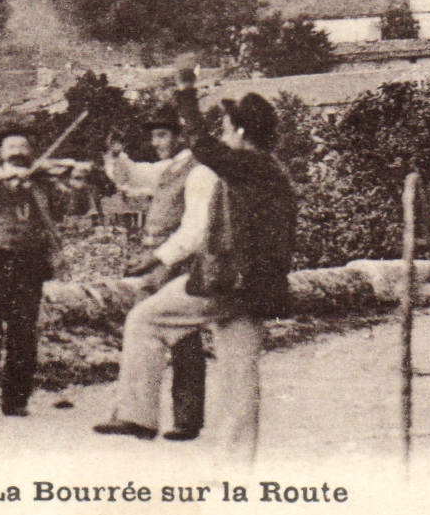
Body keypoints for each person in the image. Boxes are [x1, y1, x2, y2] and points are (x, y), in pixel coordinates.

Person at [96, 92, 296, 467]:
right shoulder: (271, 170)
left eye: (225, 129)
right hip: (256, 288)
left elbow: (203, 148)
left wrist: (186, 92)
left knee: (144, 319)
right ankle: (236, 470)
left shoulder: (249, 165)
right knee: (240, 380)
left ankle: (138, 415)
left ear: (240, 130)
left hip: (227, 283)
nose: (221, 137)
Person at [0, 126, 75, 420]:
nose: (18, 151)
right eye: (11, 147)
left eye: (23, 146)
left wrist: (57, 175)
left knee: (23, 333)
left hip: (30, 262)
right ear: (1, 154)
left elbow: (71, 186)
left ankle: (16, 401)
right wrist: (5, 175)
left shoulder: (42, 182)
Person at [103, 106, 208, 441]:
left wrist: (159, 258)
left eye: (163, 135)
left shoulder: (197, 170)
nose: (157, 141)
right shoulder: (170, 168)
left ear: (181, 136)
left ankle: (186, 419)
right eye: (153, 136)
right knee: (150, 331)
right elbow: (131, 175)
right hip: (160, 260)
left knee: (183, 338)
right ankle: (137, 414)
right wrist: (117, 155)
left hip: (181, 259)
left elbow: (196, 227)